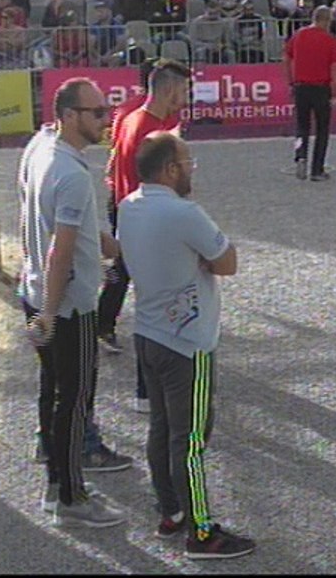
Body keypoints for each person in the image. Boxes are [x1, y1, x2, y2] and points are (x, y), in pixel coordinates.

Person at [115, 133, 254, 560]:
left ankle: (171, 511)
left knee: (161, 429)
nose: (192, 167)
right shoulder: (183, 213)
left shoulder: (127, 206)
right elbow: (227, 262)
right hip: (188, 345)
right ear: (169, 169)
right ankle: (202, 533)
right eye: (187, 161)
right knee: (190, 440)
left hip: (149, 335)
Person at [20, 78, 129, 528]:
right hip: (68, 304)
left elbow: (65, 232)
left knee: (53, 388)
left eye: (105, 111)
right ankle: (70, 496)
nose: (105, 120)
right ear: (68, 115)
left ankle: (55, 480)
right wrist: (50, 308)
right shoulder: (72, 175)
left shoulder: (38, 147)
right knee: (76, 398)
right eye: (96, 112)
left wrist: (118, 246)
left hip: (37, 292)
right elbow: (60, 249)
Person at [103, 60, 190, 411]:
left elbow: (113, 166)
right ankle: (146, 390)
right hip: (149, 224)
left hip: (130, 215)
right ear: (169, 91)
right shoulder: (153, 131)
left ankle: (103, 324)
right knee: (154, 308)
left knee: (133, 286)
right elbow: (167, 185)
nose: (184, 99)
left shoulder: (133, 119)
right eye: (182, 92)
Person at [283, 6, 336, 182]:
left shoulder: (298, 35)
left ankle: (300, 154)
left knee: (302, 126)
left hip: (301, 87)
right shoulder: (330, 40)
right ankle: (317, 169)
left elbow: (286, 58)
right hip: (321, 88)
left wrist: (290, 82)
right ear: (326, 21)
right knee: (322, 129)